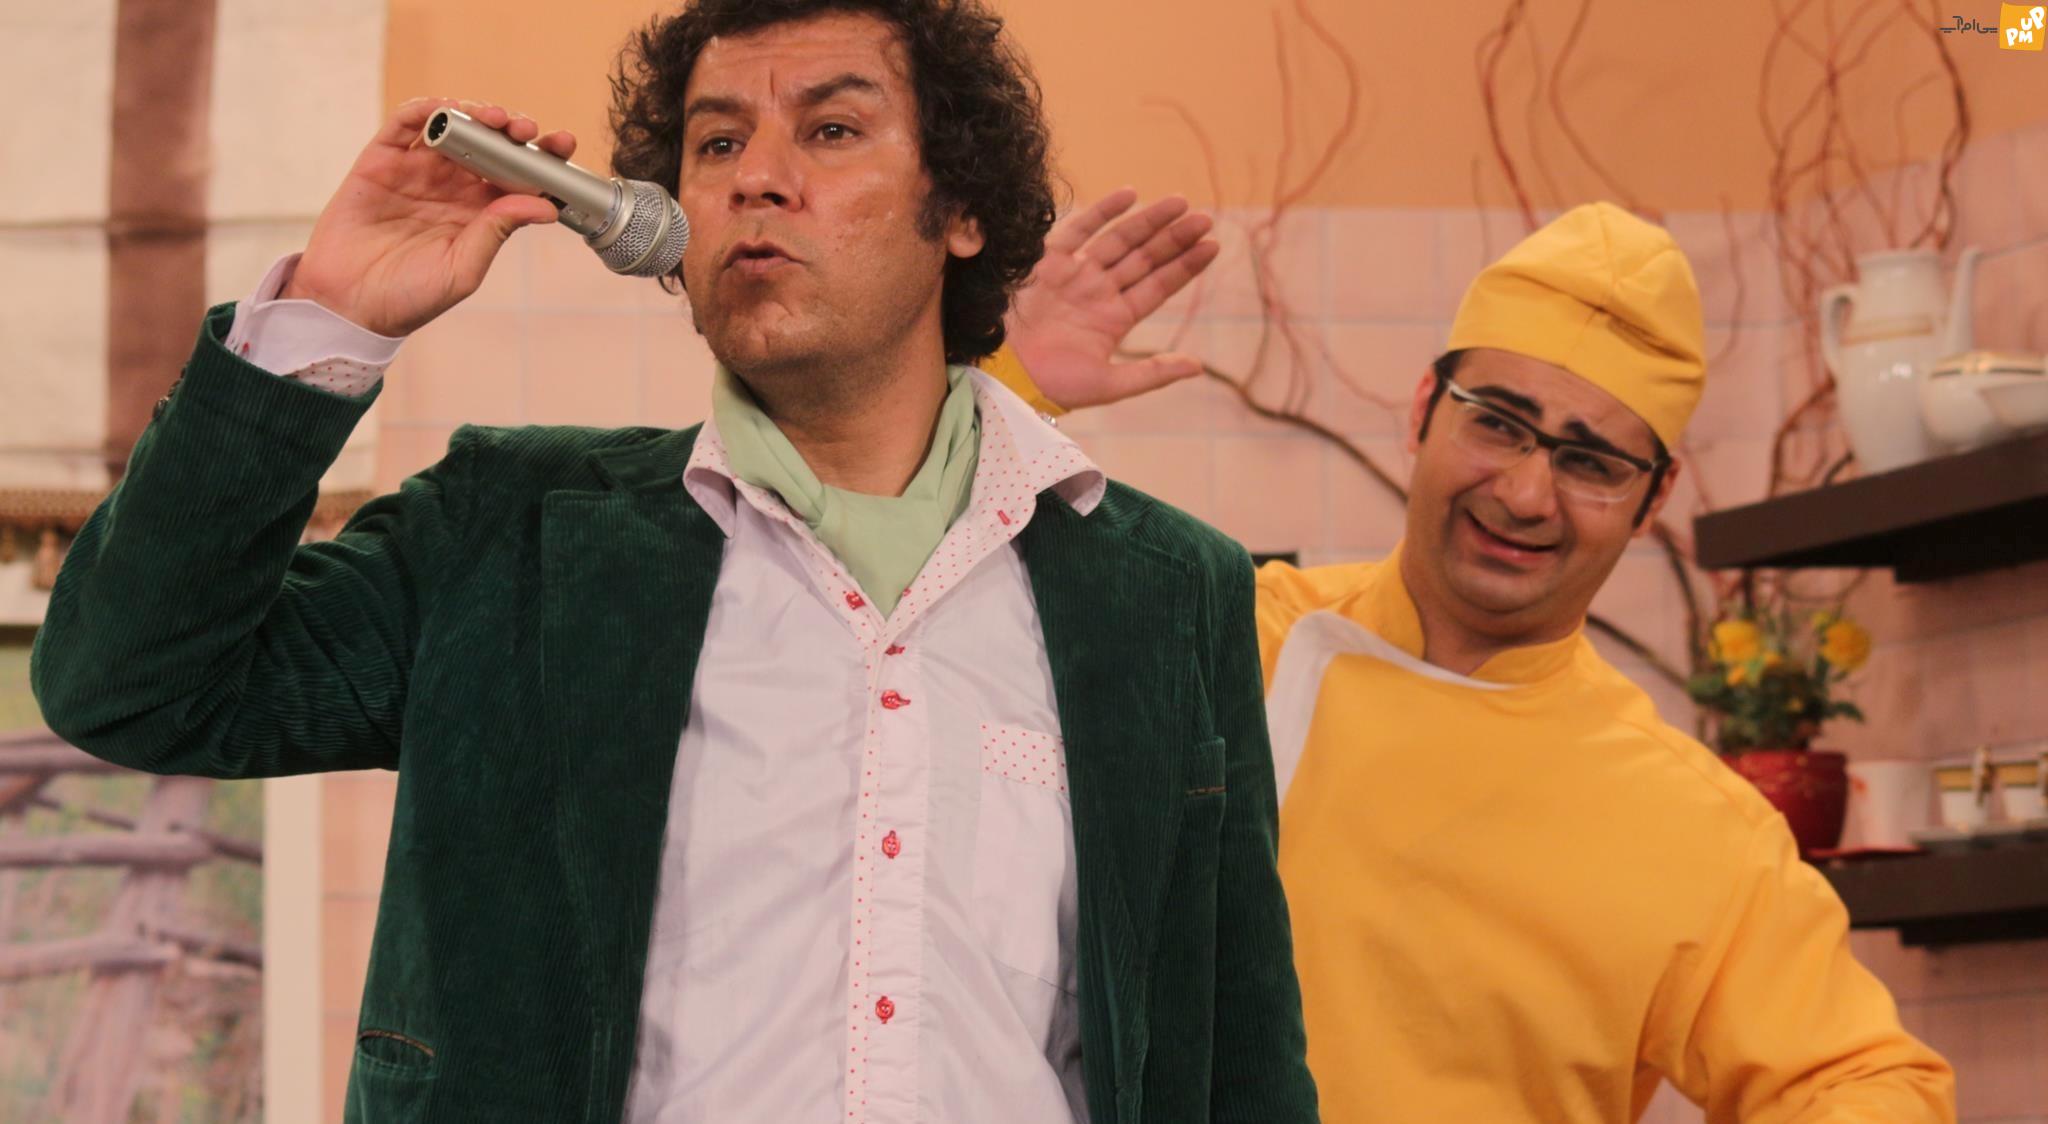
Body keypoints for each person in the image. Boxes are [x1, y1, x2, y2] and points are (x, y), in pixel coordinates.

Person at [30, 1, 1316, 1121]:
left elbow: (1238, 1057)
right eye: (716, 144)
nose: (758, 179)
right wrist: (329, 316)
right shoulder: (509, 536)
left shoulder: (1167, 594)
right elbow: (131, 682)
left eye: (830, 129)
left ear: (961, 208)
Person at [994, 200, 1956, 1122]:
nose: (1528, 493)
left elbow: (1869, 1082)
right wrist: (1005, 387)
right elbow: (931, 636)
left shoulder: (1697, 825)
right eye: (1497, 421)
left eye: (1591, 462)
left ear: (1653, 500)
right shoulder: (1221, 638)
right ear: (1425, 409)